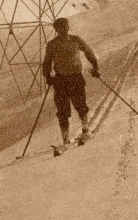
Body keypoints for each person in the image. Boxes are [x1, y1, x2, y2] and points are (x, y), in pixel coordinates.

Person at [42, 17, 101, 147]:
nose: (63, 30)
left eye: (65, 27)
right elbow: (47, 62)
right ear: (56, 30)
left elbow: (89, 52)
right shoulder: (52, 44)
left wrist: (96, 67)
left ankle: (86, 130)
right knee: (62, 111)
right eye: (60, 28)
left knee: (81, 106)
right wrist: (48, 76)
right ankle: (65, 139)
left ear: (68, 27)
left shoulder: (76, 40)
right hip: (60, 80)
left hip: (76, 78)